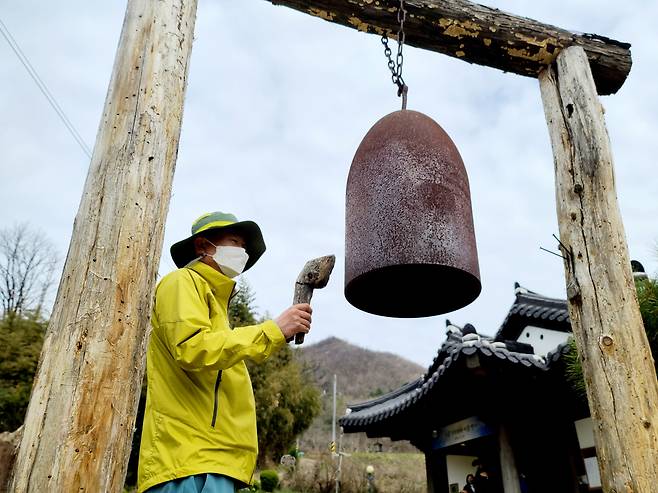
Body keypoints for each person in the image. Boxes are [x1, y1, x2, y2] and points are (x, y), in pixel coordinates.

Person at [137, 212, 313, 493]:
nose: (241, 253)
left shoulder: (218, 306)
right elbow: (192, 348)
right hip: (187, 461)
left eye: (244, 248)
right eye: (234, 242)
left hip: (212, 460)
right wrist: (273, 330)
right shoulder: (181, 282)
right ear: (203, 246)